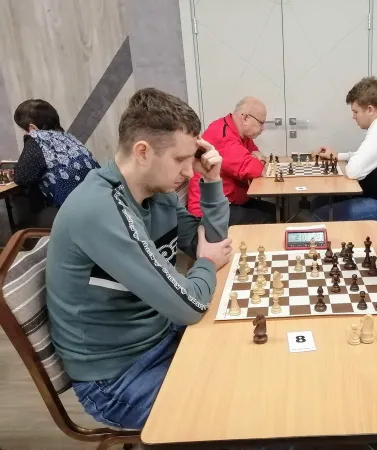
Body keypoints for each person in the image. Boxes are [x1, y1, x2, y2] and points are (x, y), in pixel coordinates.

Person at [45, 88, 232, 430]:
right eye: (180, 159)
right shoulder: (99, 210)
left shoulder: (156, 192)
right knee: (242, 415)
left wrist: (212, 181)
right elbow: (189, 304)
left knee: (252, 363)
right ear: (142, 151)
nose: (189, 172)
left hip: (160, 335)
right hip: (117, 378)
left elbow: (213, 243)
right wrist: (205, 264)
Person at [310, 77, 377, 221]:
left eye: (355, 112)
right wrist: (338, 156)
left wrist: (348, 161)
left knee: (320, 215)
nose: (353, 117)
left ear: (370, 109)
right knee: (319, 202)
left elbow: (353, 171)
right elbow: (365, 156)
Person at [187, 96, 275, 225]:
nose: (263, 128)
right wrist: (258, 160)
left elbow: (259, 157)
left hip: (229, 202)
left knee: (274, 211)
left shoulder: (241, 135)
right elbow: (255, 170)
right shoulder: (223, 136)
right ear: (245, 118)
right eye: (261, 123)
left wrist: (258, 159)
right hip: (208, 210)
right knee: (268, 218)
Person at [12, 99, 100, 227]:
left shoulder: (37, 138)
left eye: (23, 130)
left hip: (74, 215)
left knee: (22, 214)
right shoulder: (68, 137)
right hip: (99, 205)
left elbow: (21, 177)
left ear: (32, 128)